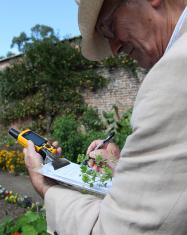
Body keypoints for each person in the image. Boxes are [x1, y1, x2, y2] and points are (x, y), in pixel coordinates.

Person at [24, 0, 187, 234]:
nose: (114, 47)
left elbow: (118, 230)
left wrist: (45, 185)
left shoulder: (174, 72)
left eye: (109, 27)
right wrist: (118, 166)